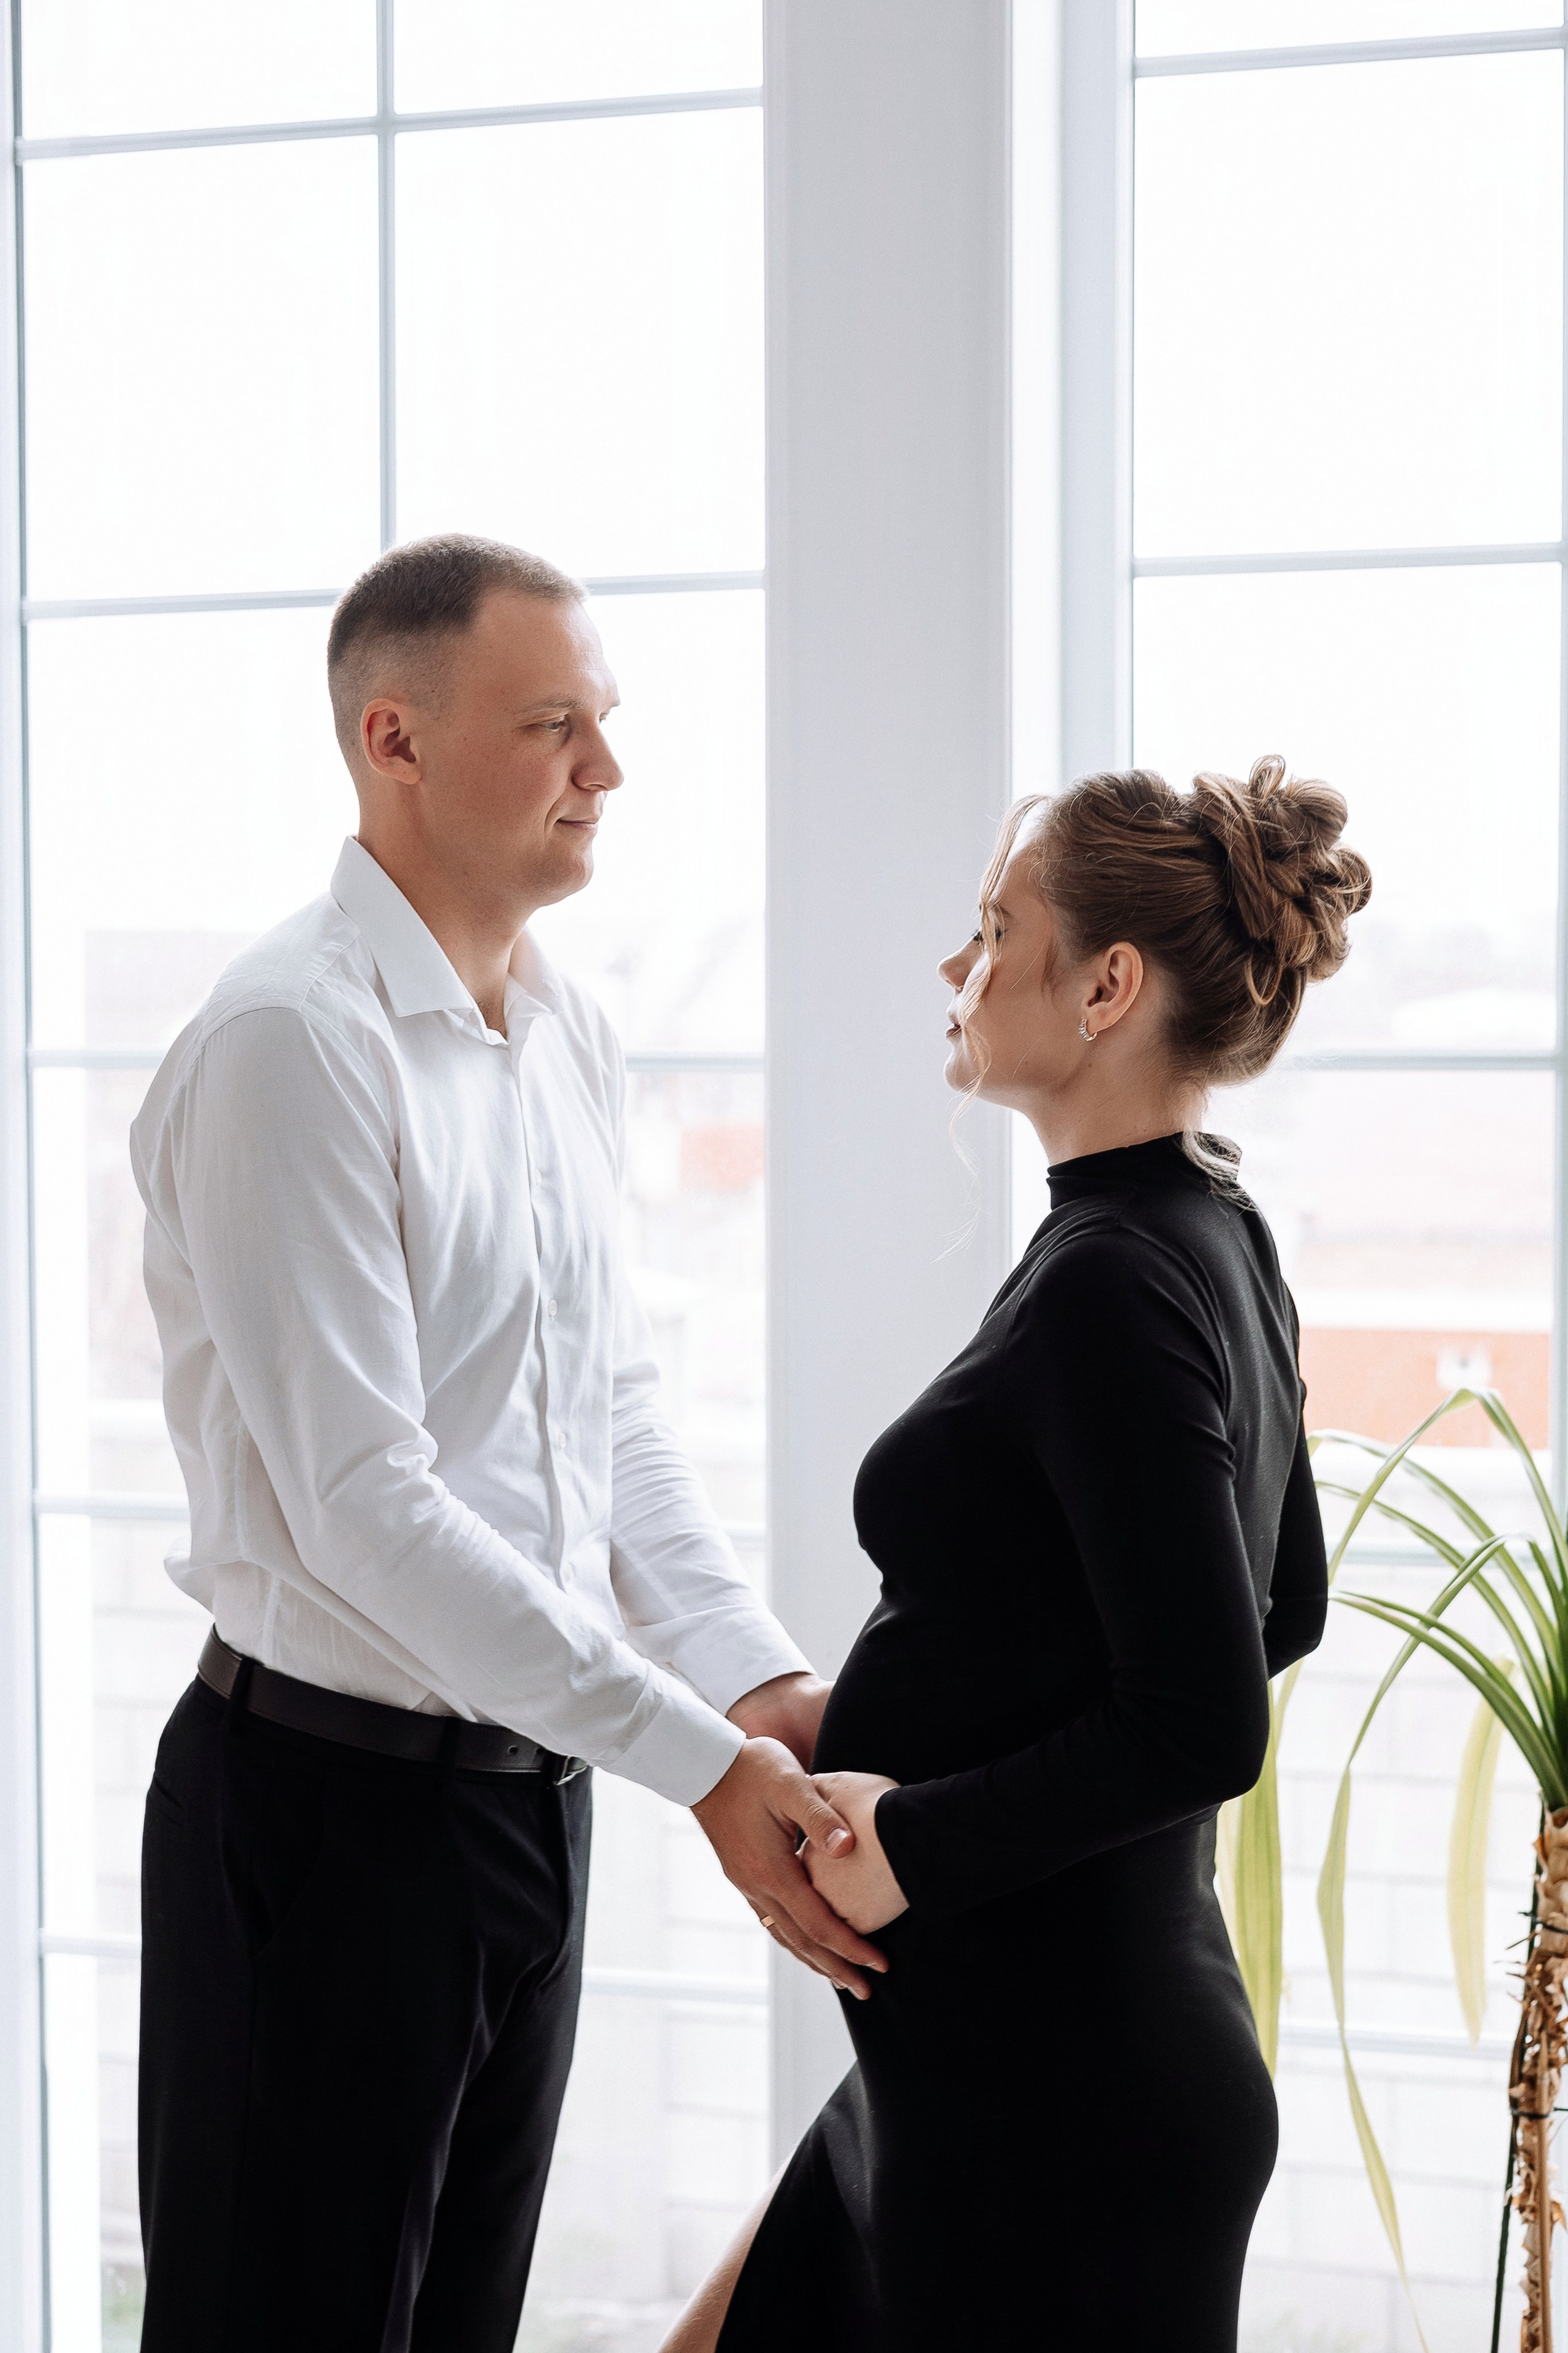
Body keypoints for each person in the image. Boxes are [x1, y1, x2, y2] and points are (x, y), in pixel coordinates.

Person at [129, 534, 887, 2353]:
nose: (603, 772)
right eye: (554, 725)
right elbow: (366, 1506)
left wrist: (757, 1677)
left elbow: (607, 1414)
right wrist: (700, 1765)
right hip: (319, 1819)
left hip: (524, 1808)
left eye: (603, 724)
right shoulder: (288, 1046)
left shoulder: (568, 1033)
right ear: (393, 738)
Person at [663, 758, 1372, 2352]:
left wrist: (916, 1825)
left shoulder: (1114, 1277)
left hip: (1060, 2100)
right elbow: (1286, 1598)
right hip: (998, 2053)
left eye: (994, 928)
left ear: (1108, 984)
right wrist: (874, 1715)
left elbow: (1204, 1715)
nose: (954, 964)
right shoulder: (1203, 1235)